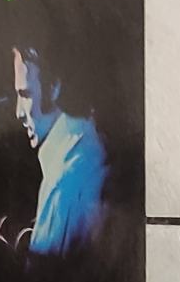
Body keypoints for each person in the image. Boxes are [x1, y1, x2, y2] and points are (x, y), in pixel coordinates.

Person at [12, 44, 108, 257]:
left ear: (54, 88)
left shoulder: (65, 172)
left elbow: (43, 272)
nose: (18, 112)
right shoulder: (85, 143)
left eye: (25, 94)